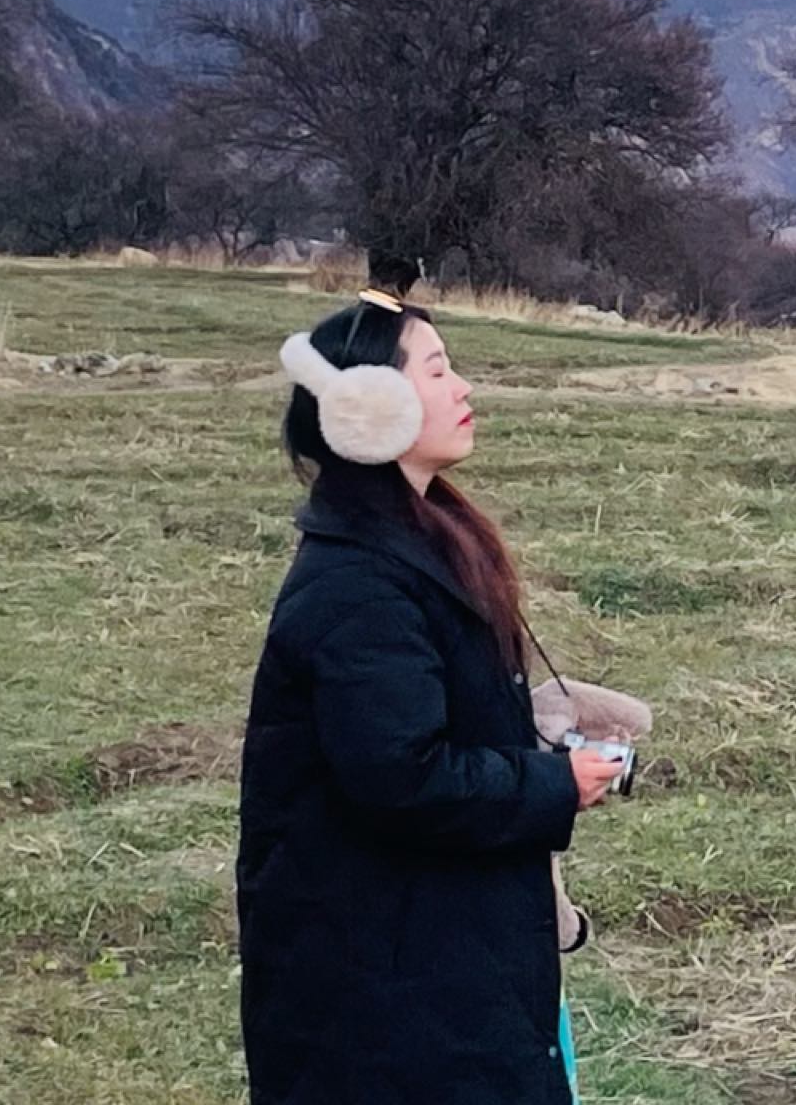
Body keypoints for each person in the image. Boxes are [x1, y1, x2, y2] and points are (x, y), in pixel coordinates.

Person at [238, 294, 628, 1103]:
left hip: (424, 960)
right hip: (382, 990)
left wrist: (534, 724)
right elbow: (401, 777)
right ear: (367, 404)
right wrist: (556, 784)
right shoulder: (357, 586)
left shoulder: (414, 541)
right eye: (439, 369)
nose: (462, 388)